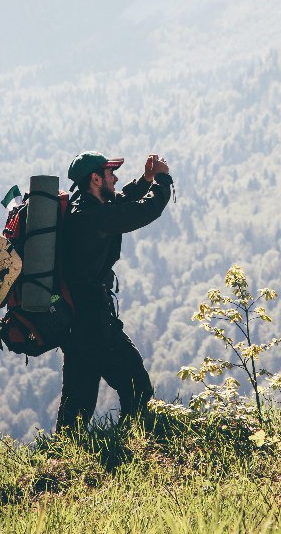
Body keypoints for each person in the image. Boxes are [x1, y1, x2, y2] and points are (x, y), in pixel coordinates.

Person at [56, 149, 173, 432]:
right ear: (96, 179)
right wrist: (163, 180)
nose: (116, 178)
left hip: (75, 323)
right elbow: (143, 211)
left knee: (77, 404)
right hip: (93, 321)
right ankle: (132, 445)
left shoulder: (82, 209)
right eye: (110, 174)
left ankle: (59, 463)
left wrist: (145, 180)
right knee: (137, 387)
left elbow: (120, 202)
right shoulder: (93, 218)